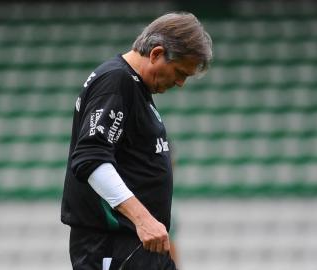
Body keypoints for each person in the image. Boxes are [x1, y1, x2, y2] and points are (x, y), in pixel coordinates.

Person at [61, 11, 212, 270]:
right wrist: (143, 220)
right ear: (156, 53)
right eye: (179, 72)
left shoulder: (134, 88)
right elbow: (90, 158)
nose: (180, 83)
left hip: (141, 246)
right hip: (114, 246)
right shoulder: (116, 81)